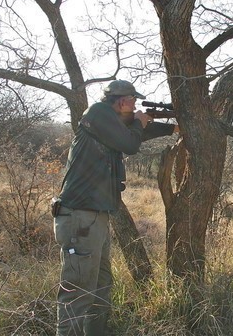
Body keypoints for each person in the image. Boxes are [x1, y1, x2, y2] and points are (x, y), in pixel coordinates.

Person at [52, 80, 177, 335]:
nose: (136, 105)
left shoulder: (109, 123)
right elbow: (130, 143)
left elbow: (132, 133)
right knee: (77, 294)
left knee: (100, 287)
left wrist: (172, 128)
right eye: (133, 101)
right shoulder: (97, 113)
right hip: (80, 218)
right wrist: (142, 121)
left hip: (93, 218)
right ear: (122, 101)